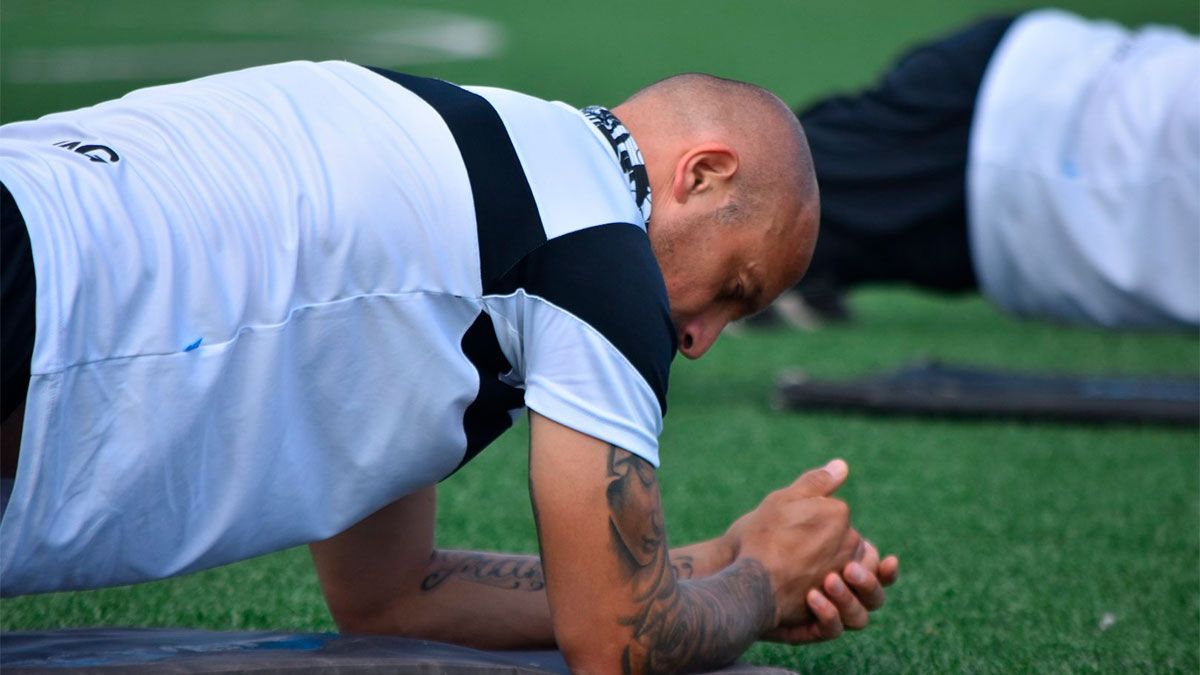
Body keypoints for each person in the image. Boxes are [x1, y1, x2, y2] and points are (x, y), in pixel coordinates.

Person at [0, 65, 898, 672]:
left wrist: (715, 561)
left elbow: (391, 597)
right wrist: (759, 582)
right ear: (700, 175)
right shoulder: (595, 248)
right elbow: (616, 639)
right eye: (732, 288)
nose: (701, 336)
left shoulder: (461, 180)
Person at [778, 9, 1199, 330]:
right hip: (1017, 107)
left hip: (1020, 242)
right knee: (759, 195)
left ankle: (791, 284)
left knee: (796, 241)